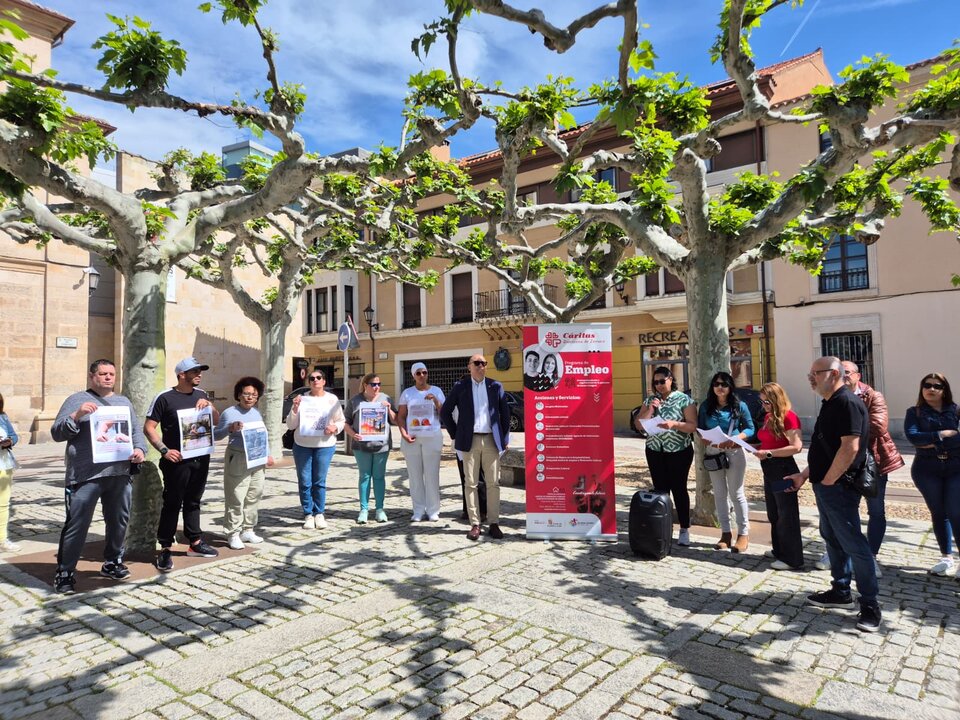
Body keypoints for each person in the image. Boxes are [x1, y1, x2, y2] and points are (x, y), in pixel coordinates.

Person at [785, 356, 880, 633]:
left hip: (838, 487)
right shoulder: (831, 403)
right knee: (832, 538)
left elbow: (849, 448)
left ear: (835, 373)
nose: (810, 378)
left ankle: (870, 605)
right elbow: (823, 447)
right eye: (810, 373)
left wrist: (828, 481)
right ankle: (840, 590)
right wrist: (805, 476)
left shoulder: (847, 403)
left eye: (816, 373)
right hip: (826, 485)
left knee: (853, 543)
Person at [50, 360, 147, 593]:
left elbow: (135, 431)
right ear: (92, 376)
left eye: (111, 374)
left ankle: (112, 561)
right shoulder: (76, 399)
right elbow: (56, 433)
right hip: (85, 475)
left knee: (118, 521)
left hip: (119, 473)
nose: (108, 378)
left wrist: (140, 450)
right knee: (77, 524)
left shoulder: (123, 402)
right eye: (103, 374)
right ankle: (65, 573)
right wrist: (76, 415)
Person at [817, 361, 905, 575]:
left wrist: (850, 427)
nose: (844, 376)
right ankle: (842, 551)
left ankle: (870, 556)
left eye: (848, 373)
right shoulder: (831, 398)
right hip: (843, 462)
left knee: (876, 510)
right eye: (840, 373)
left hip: (872, 462)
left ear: (858, 375)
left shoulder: (873, 396)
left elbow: (878, 426)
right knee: (845, 511)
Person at [144, 357, 221, 572]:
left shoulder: (202, 394)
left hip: (201, 457)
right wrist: (164, 451)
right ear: (181, 375)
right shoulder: (164, 398)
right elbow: (149, 427)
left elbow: (215, 420)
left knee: (194, 501)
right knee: (172, 503)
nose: (199, 374)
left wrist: (211, 406)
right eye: (194, 371)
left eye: (200, 370)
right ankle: (165, 548)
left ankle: (195, 542)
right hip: (176, 461)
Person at [441, 354, 511, 541]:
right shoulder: (460, 387)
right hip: (469, 440)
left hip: (490, 440)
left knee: (493, 483)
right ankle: (475, 523)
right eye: (477, 363)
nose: (481, 366)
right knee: (470, 483)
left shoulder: (495, 386)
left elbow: (505, 413)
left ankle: (494, 523)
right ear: (469, 366)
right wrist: (456, 434)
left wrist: (504, 438)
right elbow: (445, 411)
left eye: (484, 363)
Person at [904, 372, 960, 577]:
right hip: (926, 469)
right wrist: (943, 435)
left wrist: (930, 441)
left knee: (956, 512)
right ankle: (947, 557)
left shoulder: (955, 410)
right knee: (939, 512)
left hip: (956, 467)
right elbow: (912, 437)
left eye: (937, 386)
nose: (931, 389)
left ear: (945, 390)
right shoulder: (915, 412)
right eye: (927, 385)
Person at [634, 366, 697, 546]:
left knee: (679, 488)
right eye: (656, 382)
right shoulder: (650, 400)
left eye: (662, 381)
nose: (659, 385)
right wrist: (650, 410)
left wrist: (674, 424)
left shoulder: (684, 399)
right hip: (655, 449)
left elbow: (692, 426)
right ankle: (663, 526)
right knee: (660, 489)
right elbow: (639, 424)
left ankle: (684, 528)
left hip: (679, 450)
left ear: (671, 379)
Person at [214, 377, 275, 550]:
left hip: (257, 458)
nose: (249, 398)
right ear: (239, 394)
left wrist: (268, 454)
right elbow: (216, 435)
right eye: (246, 394)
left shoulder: (256, 413)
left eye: (254, 395)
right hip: (238, 457)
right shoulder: (229, 412)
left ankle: (248, 529)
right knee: (236, 496)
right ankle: (232, 532)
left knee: (254, 494)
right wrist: (230, 429)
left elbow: (262, 435)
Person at [697, 371, 754, 553]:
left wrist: (738, 437)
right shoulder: (706, 406)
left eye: (724, 384)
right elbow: (700, 429)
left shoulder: (739, 406)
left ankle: (743, 534)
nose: (719, 387)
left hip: (734, 451)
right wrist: (704, 438)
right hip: (714, 452)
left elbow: (751, 428)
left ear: (730, 387)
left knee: (737, 493)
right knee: (719, 494)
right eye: (716, 384)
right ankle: (726, 533)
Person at [752, 382, 804, 570]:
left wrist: (769, 453)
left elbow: (796, 446)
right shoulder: (768, 417)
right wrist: (758, 448)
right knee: (774, 512)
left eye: (767, 401)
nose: (764, 405)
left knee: (786, 512)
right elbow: (767, 441)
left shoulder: (789, 417)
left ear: (776, 400)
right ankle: (779, 550)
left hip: (783, 468)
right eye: (762, 402)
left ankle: (792, 557)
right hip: (769, 467)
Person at [287, 368, 344, 530]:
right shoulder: (302, 399)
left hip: (324, 446)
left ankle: (319, 513)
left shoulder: (332, 399)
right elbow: (291, 425)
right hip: (302, 445)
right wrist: (295, 409)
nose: (315, 380)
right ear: (309, 382)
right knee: (305, 482)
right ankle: (308, 514)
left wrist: (334, 427)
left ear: (324, 382)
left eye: (319, 378)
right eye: (312, 378)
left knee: (319, 482)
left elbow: (341, 421)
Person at [344, 373, 397, 524]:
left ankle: (380, 509)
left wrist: (389, 410)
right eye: (373, 384)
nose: (377, 387)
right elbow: (345, 422)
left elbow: (395, 420)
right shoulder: (355, 401)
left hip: (382, 445)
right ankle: (364, 510)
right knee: (365, 476)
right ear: (365, 385)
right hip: (361, 446)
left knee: (379, 477)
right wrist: (353, 435)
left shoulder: (385, 398)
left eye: (379, 384)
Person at [398, 363, 446, 522]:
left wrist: (435, 401)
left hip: (432, 437)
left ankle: (433, 510)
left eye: (424, 372)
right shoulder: (407, 393)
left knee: (432, 475)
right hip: (412, 438)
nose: (422, 375)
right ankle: (418, 509)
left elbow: (444, 413)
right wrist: (404, 433)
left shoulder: (436, 391)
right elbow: (401, 416)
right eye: (418, 373)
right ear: (413, 375)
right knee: (415, 476)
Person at [0, 393, 20, 553]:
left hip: (4, 464)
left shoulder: (2, 416)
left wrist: (10, 441)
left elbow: (13, 435)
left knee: (3, 504)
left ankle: (2, 540)